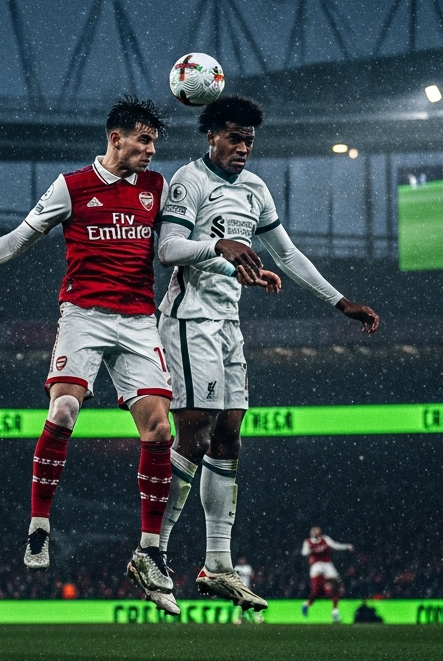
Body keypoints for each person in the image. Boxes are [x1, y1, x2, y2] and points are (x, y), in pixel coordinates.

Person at [0, 96, 263, 617]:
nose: (151, 150)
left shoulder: (157, 189)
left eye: (154, 142)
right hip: (83, 316)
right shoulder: (72, 186)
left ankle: (151, 552)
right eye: (144, 141)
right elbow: (20, 238)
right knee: (64, 410)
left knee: (160, 431)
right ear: (116, 138)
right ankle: (39, 526)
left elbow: (184, 242)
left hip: (138, 321)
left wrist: (236, 263)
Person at [155, 94, 379, 612]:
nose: (243, 148)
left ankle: (218, 566)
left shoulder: (255, 189)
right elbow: (167, 249)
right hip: (189, 320)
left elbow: (288, 253)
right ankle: (153, 551)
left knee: (229, 436)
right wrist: (220, 247)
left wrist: (339, 302)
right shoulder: (189, 181)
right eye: (234, 137)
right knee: (196, 433)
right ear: (211, 135)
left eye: (249, 140)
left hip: (228, 324)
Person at [300, 526, 354, 623]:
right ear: (311, 533)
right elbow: (304, 553)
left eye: (317, 531)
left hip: (327, 564)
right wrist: (310, 550)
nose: (316, 533)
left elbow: (335, 545)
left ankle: (335, 613)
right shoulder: (307, 542)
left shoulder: (325, 539)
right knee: (316, 591)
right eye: (314, 531)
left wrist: (346, 546)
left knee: (336, 587)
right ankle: (306, 604)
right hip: (316, 565)